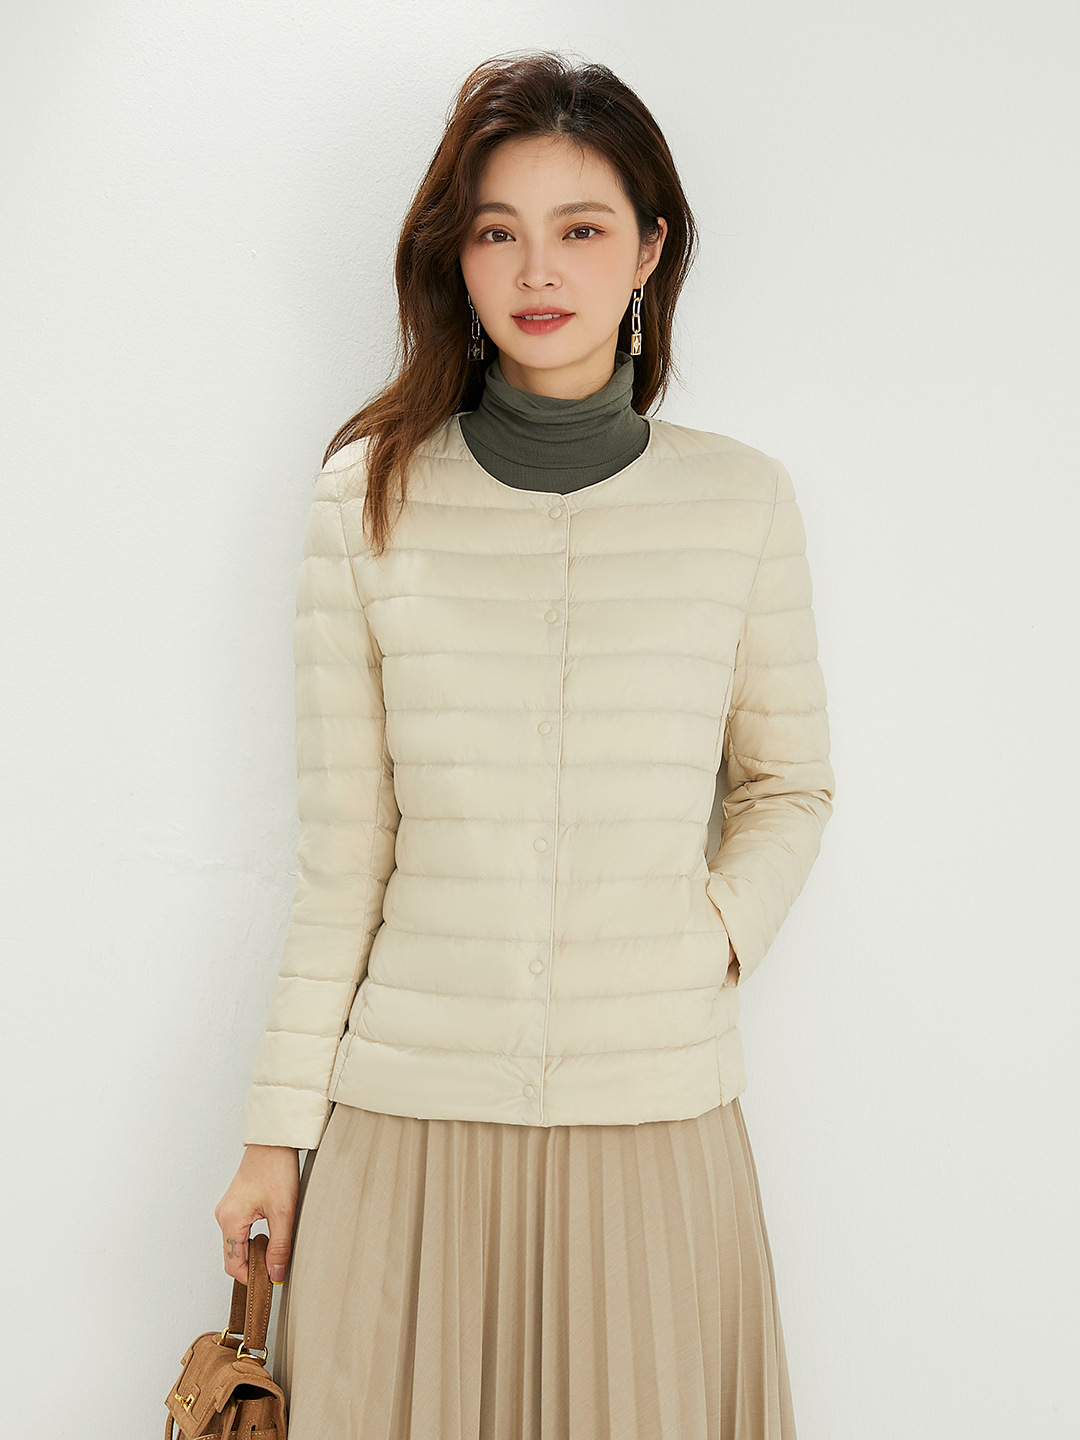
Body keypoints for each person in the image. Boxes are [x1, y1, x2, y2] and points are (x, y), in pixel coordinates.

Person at [214, 49, 835, 1440]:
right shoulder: (366, 502)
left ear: (651, 250)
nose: (537, 269)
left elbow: (789, 783)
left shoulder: (742, 504)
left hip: (654, 1119)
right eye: (498, 231)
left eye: (582, 228)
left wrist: (709, 941)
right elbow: (343, 860)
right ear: (458, 255)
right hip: (407, 1130)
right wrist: (273, 1137)